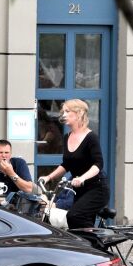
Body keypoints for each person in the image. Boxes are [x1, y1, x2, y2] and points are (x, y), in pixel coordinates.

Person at [42, 98, 108, 229]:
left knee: (73, 216)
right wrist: (48, 177)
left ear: (78, 114)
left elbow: (98, 164)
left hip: (97, 189)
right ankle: (90, 247)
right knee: (76, 226)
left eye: (67, 111)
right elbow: (66, 164)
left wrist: (82, 178)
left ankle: (93, 247)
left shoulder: (91, 137)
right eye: (63, 112)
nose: (63, 115)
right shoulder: (67, 137)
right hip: (79, 190)